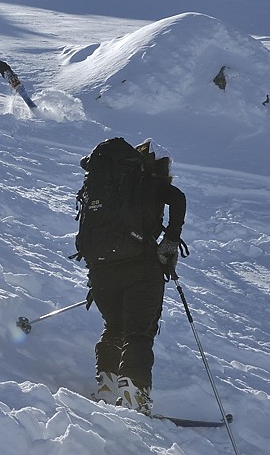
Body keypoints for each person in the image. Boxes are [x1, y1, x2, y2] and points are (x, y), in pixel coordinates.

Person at [86, 140, 187, 415]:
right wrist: (171, 239)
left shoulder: (106, 185)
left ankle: (107, 386)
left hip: (100, 269)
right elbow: (178, 198)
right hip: (141, 267)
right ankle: (133, 395)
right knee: (138, 333)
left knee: (114, 326)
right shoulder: (150, 182)